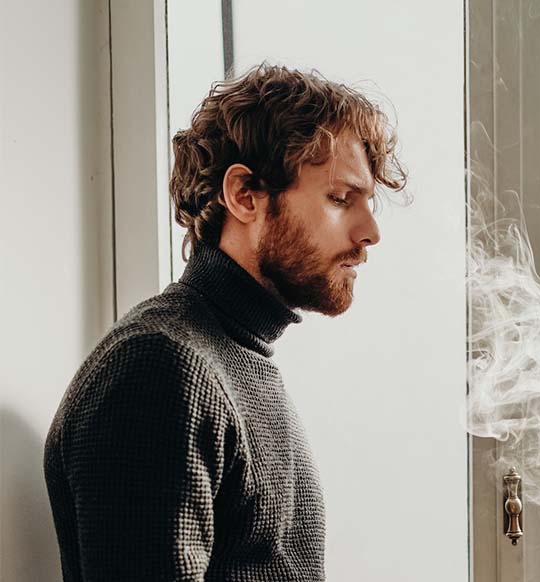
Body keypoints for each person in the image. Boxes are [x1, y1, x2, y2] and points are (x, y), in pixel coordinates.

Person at [43, 62, 407, 581]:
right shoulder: (159, 368)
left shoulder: (237, 357)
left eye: (368, 204)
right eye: (340, 199)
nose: (370, 231)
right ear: (245, 195)